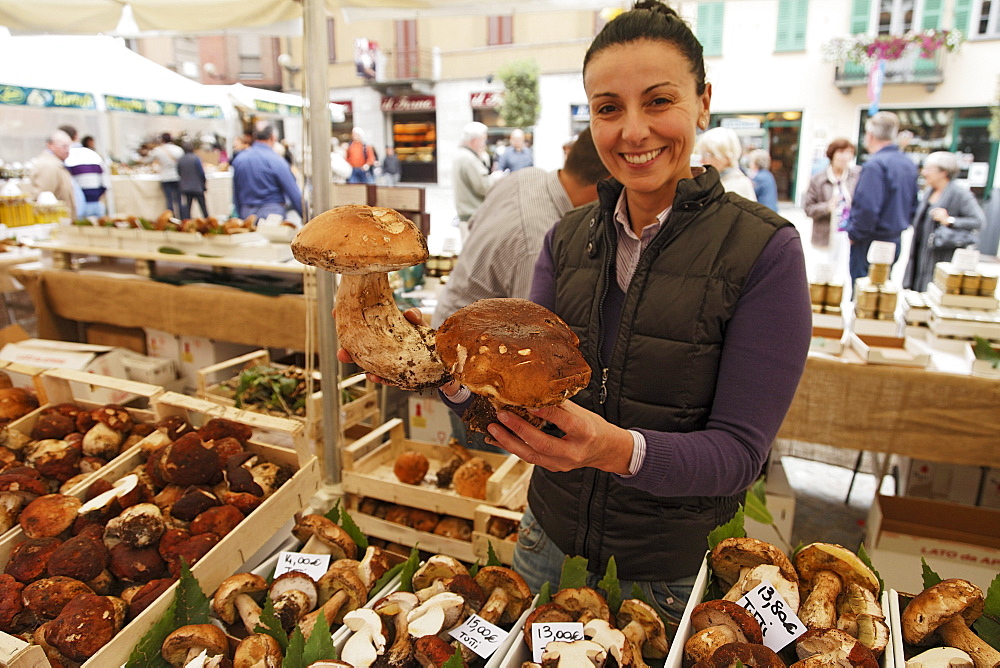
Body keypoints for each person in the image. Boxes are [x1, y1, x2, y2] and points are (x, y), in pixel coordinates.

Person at [340, 0, 811, 620]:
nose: (633, 130)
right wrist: (440, 376)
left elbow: (738, 457)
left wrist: (612, 450)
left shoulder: (764, 252)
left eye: (659, 101)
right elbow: (521, 398)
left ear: (702, 101)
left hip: (671, 580)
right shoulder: (567, 239)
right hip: (545, 548)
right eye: (608, 108)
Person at [431, 127, 610, 454]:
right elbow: (527, 348)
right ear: (605, 188)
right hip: (473, 370)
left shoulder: (525, 177)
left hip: (456, 328)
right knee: (491, 459)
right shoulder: (538, 241)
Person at [844, 111, 918, 291]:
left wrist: (854, 233)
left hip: (871, 240)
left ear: (870, 136)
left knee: (864, 294)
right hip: (893, 238)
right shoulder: (907, 163)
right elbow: (913, 204)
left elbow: (867, 207)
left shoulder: (875, 165)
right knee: (882, 291)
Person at [903, 151, 986, 291]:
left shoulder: (959, 194)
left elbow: (979, 221)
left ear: (943, 172)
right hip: (920, 256)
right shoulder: (929, 192)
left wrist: (950, 221)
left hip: (941, 257)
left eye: (929, 169)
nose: (924, 172)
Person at [230, 125, 303, 220]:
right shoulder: (277, 161)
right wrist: (307, 220)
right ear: (273, 137)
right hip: (272, 215)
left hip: (247, 214)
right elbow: (293, 193)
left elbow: (236, 193)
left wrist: (240, 218)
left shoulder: (239, 160)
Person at [803, 138, 861, 249]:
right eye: (841, 152)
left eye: (849, 153)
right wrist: (827, 207)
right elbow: (808, 209)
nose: (845, 157)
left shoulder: (856, 176)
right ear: (832, 154)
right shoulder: (818, 179)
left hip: (849, 238)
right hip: (825, 236)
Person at [452, 121, 494, 234]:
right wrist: (496, 177)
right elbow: (484, 187)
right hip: (473, 218)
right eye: (483, 140)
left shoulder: (462, 155)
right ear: (475, 141)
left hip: (467, 217)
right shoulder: (469, 159)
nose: (485, 144)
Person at [695, 127, 756, 201]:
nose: (701, 161)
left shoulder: (736, 186)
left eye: (707, 155)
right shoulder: (716, 181)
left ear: (726, 157)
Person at [27, 130, 77, 220]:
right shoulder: (48, 165)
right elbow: (43, 199)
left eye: (69, 146)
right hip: (54, 222)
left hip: (61, 220)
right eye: (63, 146)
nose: (67, 150)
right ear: (50, 145)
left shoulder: (56, 163)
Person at [60, 125, 106, 218]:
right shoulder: (93, 154)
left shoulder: (66, 157)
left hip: (76, 206)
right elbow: (105, 182)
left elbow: (65, 185)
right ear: (76, 136)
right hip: (96, 204)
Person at [145, 133, 184, 217]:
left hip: (165, 177)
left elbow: (148, 159)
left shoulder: (158, 150)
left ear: (162, 140)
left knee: (169, 200)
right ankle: (182, 218)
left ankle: (171, 218)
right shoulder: (179, 149)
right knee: (179, 200)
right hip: (177, 177)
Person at [177, 141, 207, 220]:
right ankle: (207, 220)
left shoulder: (181, 160)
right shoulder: (196, 159)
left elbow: (179, 172)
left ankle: (187, 221)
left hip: (186, 187)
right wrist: (204, 184)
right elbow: (201, 173)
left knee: (188, 208)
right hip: (197, 187)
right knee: (203, 207)